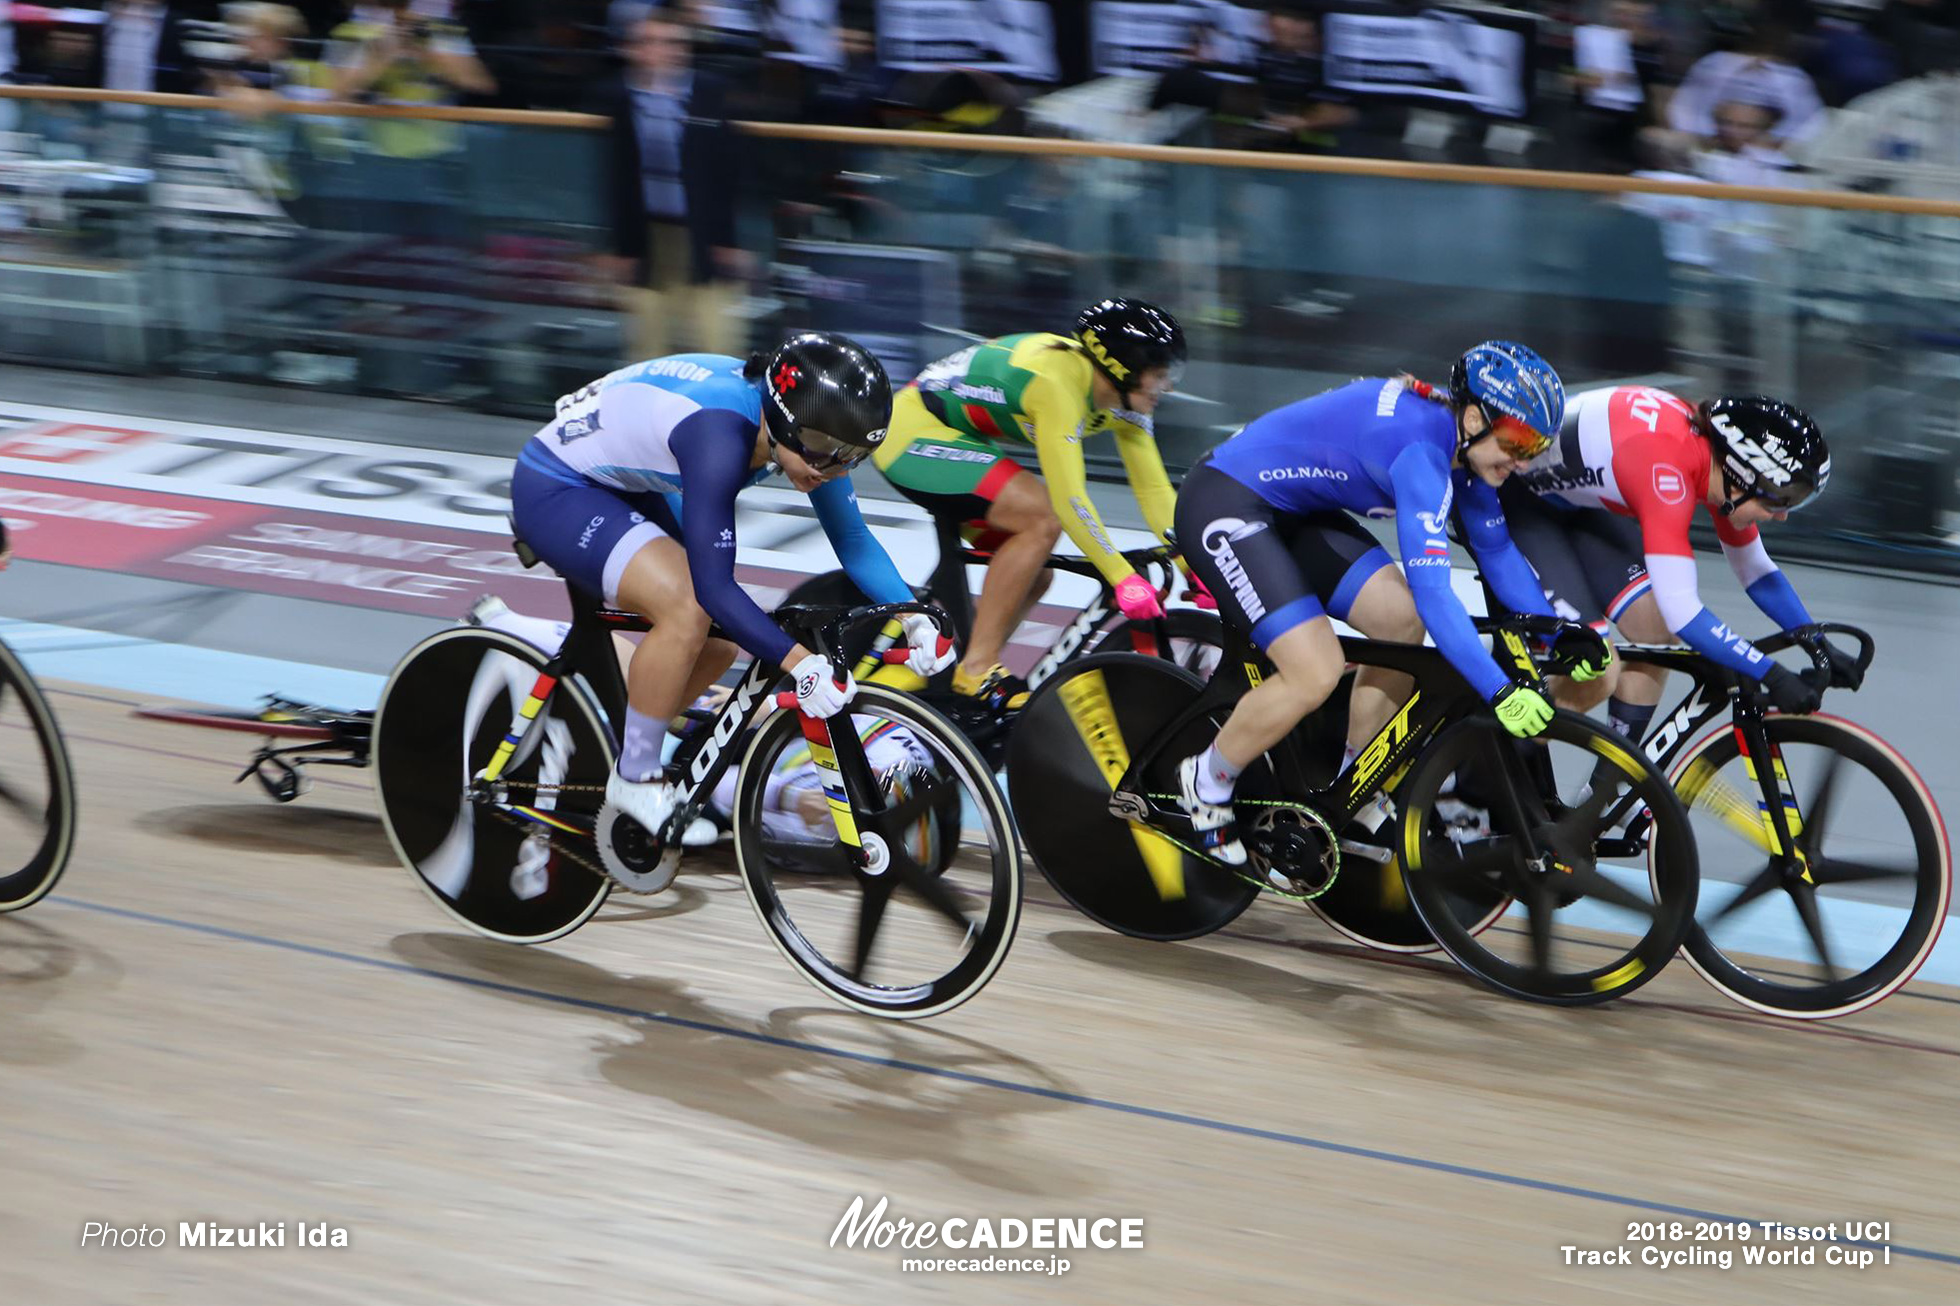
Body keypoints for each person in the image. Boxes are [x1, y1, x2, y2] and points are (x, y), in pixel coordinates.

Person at [1173, 342, 1608, 867]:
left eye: (1535, 446)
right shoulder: (1421, 455)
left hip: (1295, 515)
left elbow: (1495, 550)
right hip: (1226, 501)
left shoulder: (1465, 450)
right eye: (1517, 441)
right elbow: (1434, 593)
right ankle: (1207, 778)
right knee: (1316, 671)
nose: (1522, 460)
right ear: (1474, 415)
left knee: (1397, 622)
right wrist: (1497, 691)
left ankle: (1355, 785)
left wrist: (1559, 631)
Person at [507, 331, 956, 836]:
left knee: (720, 641)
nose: (830, 468)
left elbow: (852, 540)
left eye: (851, 456)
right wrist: (802, 665)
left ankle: (620, 735)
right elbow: (712, 589)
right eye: (824, 450)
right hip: (558, 487)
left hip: (629, 478)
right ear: (785, 419)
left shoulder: (808, 435)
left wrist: (912, 617)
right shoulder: (721, 436)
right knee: (690, 608)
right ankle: (633, 778)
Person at [867, 299, 1187, 709]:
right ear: (1123, 367)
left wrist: (1189, 561)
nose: (1169, 387)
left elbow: (1154, 491)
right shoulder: (1058, 385)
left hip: (955, 433)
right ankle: (976, 668)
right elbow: (1070, 500)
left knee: (1035, 575)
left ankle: (945, 666)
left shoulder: (1123, 400)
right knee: (1041, 519)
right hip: (910, 432)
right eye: (1160, 375)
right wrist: (1122, 577)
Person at [1499, 386, 1855, 750]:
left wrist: (1816, 640)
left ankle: (1611, 790)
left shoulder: (1716, 463)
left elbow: (1755, 570)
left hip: (1581, 502)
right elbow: (1683, 613)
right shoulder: (1668, 472)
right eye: (1781, 498)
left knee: (1653, 632)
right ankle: (1485, 770)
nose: (1781, 515)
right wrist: (1771, 673)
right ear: (1742, 474)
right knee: (1597, 670)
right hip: (1523, 504)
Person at [596, 12, 747, 361]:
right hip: (648, 237)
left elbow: (729, 172)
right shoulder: (622, 98)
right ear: (631, 49)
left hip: (703, 236)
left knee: (718, 343)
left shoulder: (711, 92)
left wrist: (728, 241)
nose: (665, 51)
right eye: (651, 42)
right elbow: (617, 177)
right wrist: (620, 247)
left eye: (674, 42)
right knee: (647, 344)